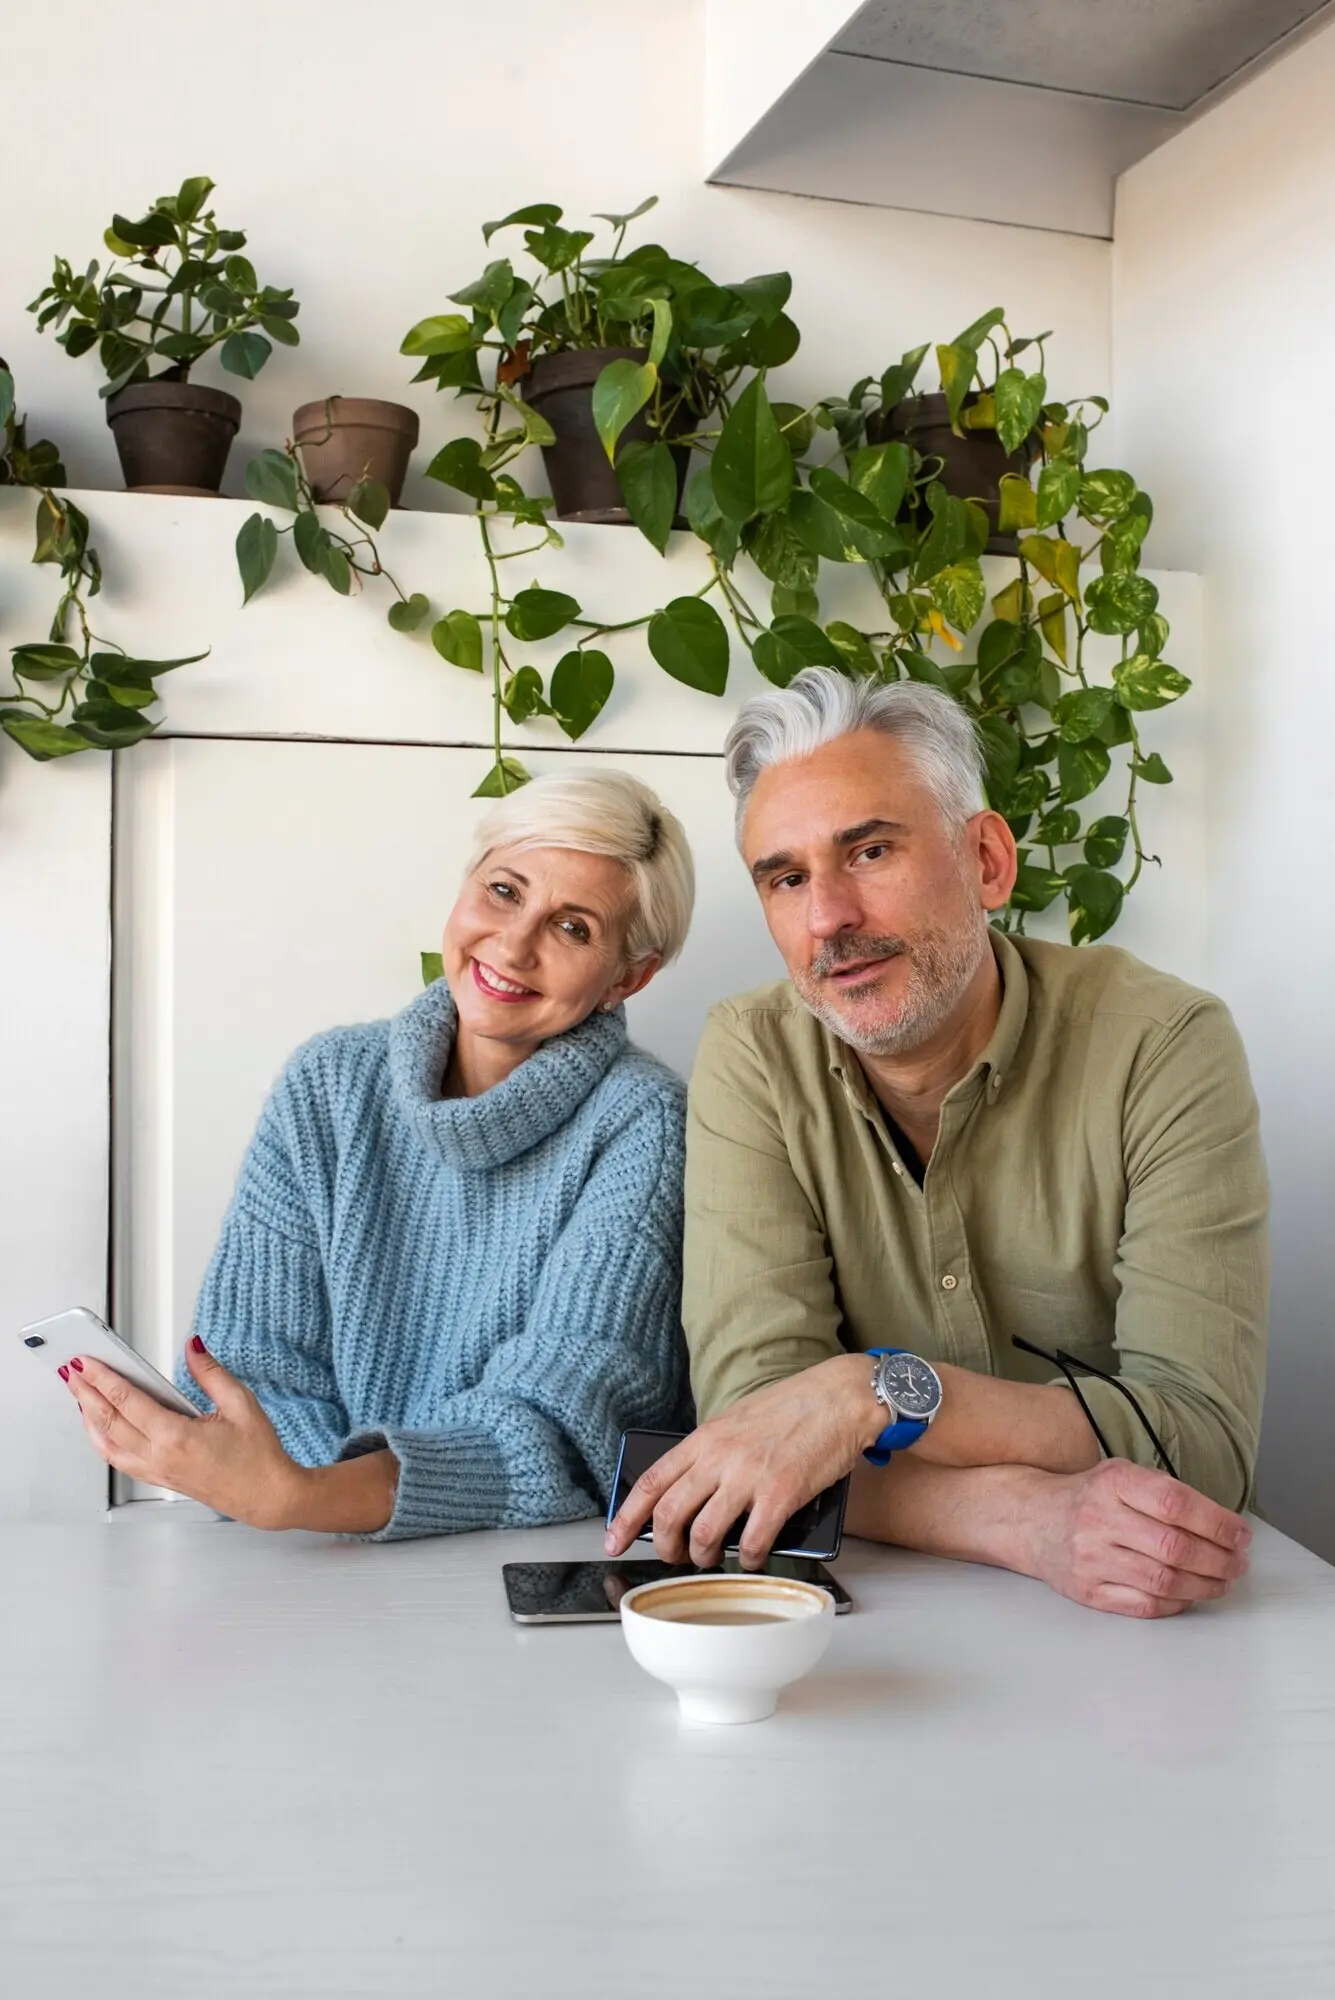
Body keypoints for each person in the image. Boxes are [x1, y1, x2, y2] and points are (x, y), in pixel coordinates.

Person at [606, 669, 1268, 1619]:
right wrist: (1018, 1518)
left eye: (868, 851)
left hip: (1143, 1624)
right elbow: (756, 1426)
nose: (828, 916)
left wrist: (867, 1397)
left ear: (987, 861)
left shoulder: (1161, 1045)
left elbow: (1198, 1444)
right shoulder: (752, 1055)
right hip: (881, 1623)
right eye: (786, 878)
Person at [63, 771, 695, 1539]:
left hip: (506, 1570)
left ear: (628, 976)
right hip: (302, 1560)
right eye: (503, 890)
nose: (513, 944)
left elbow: (563, 1426)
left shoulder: (642, 1121)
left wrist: (304, 1497)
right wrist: (297, 1495)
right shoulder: (329, 1082)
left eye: (573, 928)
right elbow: (246, 1372)